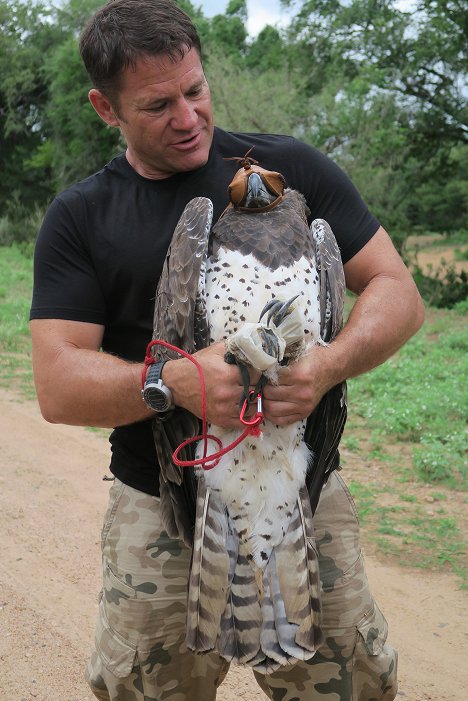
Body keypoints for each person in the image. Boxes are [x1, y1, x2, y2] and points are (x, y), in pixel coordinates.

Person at [29, 1, 424, 699]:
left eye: (195, 90)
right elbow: (58, 383)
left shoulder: (292, 169)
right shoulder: (82, 215)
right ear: (104, 107)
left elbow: (396, 289)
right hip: (164, 503)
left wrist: (327, 364)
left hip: (303, 487)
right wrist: (174, 382)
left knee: (348, 686)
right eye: (157, 104)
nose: (187, 117)